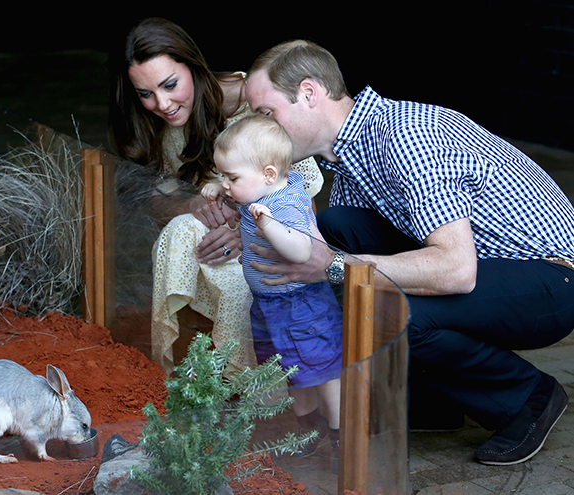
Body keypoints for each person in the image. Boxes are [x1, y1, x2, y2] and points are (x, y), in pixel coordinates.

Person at [241, 39, 574, 466]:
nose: (263, 129)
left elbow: (456, 271)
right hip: (488, 267)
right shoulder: (347, 158)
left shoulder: (403, 134)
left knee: (388, 310)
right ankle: (435, 402)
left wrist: (333, 266)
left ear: (308, 93)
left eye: (266, 114)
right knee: (338, 228)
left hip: (548, 280)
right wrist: (250, 224)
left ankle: (529, 397)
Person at [109, 18, 324, 375]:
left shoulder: (254, 105)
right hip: (214, 241)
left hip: (276, 241)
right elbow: (157, 196)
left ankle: (254, 377)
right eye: (146, 94)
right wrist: (190, 204)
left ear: (193, 67)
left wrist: (247, 232)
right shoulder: (166, 121)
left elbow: (306, 206)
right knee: (178, 232)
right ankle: (184, 364)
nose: (162, 103)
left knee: (239, 281)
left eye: (170, 85)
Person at [202, 114, 342, 470]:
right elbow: (248, 195)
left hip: (300, 305)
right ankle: (307, 431)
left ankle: (342, 437)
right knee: (294, 371)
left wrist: (268, 223)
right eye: (223, 175)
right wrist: (226, 192)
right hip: (270, 304)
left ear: (267, 174)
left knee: (322, 370)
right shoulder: (267, 189)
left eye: (231, 177)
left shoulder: (281, 205)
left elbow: (299, 251)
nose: (226, 183)